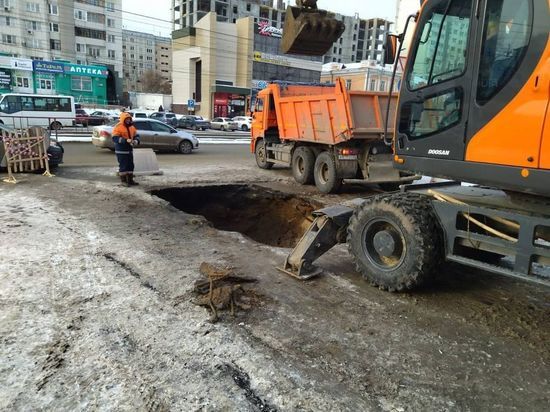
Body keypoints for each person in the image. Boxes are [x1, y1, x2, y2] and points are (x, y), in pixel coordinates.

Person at [112, 112, 140, 186]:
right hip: (121, 150)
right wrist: (125, 140)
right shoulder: (118, 127)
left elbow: (136, 135)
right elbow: (115, 138)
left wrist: (136, 141)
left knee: (130, 165)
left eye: (129, 119)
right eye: (126, 119)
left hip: (129, 150)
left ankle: (130, 180)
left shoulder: (132, 127)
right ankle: (123, 181)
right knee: (123, 166)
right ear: (123, 119)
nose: (128, 120)